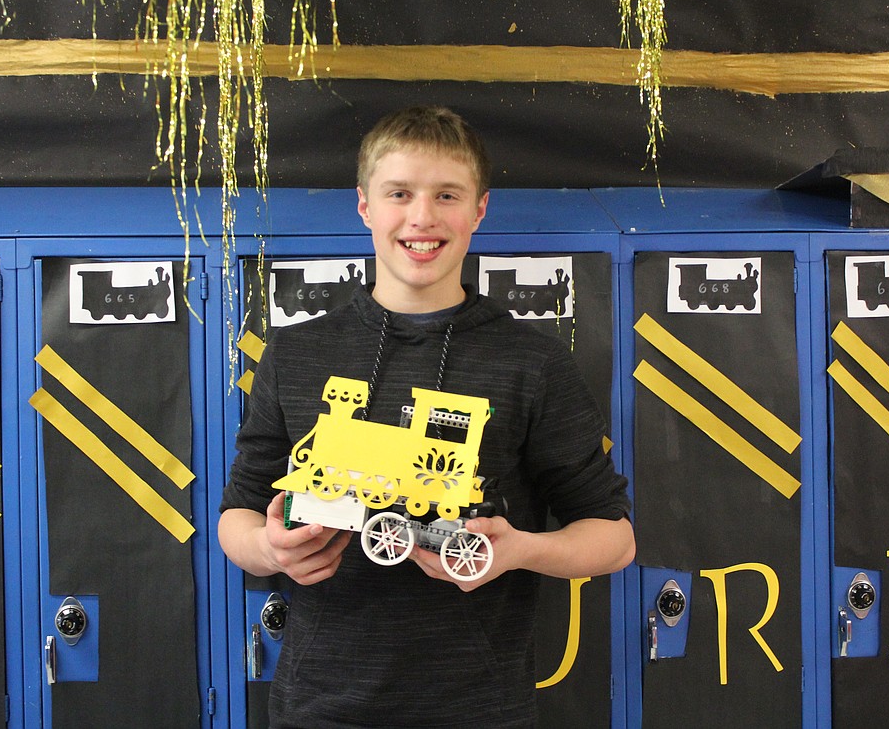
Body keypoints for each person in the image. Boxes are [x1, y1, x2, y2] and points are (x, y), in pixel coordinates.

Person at [218, 106, 634, 728]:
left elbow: (615, 538)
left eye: (446, 195)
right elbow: (240, 514)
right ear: (365, 206)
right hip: (320, 709)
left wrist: (517, 550)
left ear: (479, 209)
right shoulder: (298, 351)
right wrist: (269, 549)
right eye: (399, 194)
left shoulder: (532, 360)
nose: (422, 217)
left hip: (479, 710)